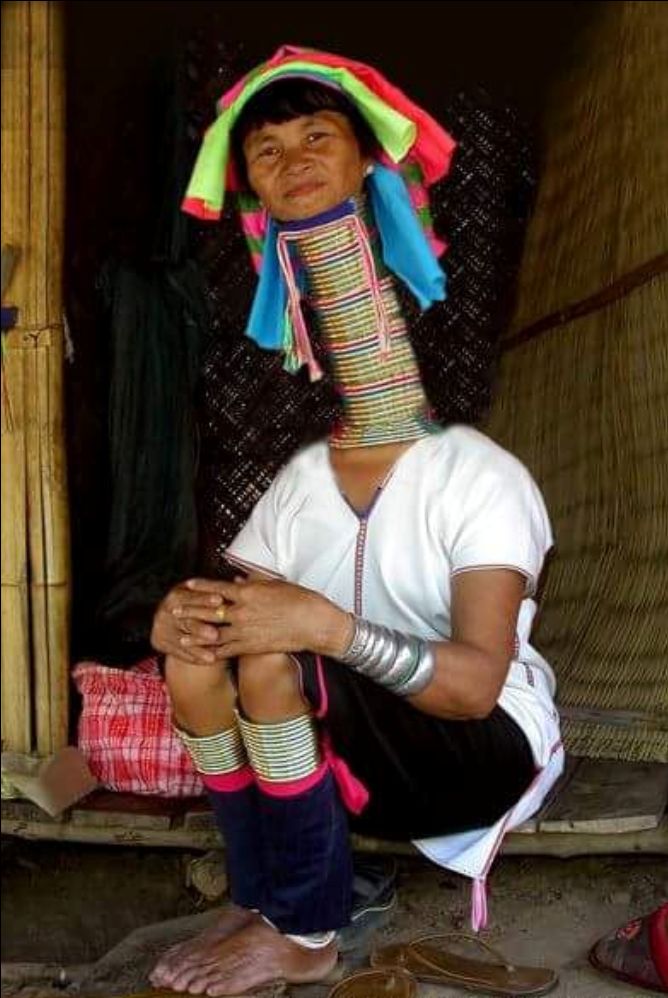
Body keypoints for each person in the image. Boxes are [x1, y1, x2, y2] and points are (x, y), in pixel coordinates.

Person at [148, 45, 564, 996]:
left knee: (273, 658)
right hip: (356, 758)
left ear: (362, 160)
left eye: (316, 137)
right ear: (251, 186)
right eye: (267, 150)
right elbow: (238, 616)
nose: (292, 159)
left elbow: (472, 689)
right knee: (201, 655)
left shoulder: (480, 476)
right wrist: (180, 616)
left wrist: (324, 627)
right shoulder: (302, 481)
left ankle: (308, 928)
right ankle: (264, 895)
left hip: (480, 753)